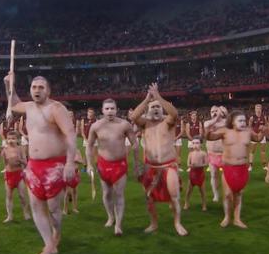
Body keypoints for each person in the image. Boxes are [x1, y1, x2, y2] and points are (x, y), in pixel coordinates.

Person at [5, 72, 77, 254]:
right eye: (34, 87)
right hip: (33, 165)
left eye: (41, 87)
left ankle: (56, 233)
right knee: (36, 206)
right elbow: (13, 104)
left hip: (54, 165)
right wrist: (8, 85)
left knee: (53, 208)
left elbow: (70, 134)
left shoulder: (56, 108)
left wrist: (70, 162)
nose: (37, 90)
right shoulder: (28, 107)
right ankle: (49, 245)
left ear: (48, 90)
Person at [130, 83, 188, 236]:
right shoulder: (145, 124)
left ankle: (177, 223)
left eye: (158, 107)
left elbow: (174, 113)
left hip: (169, 166)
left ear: (162, 109)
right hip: (151, 167)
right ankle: (154, 223)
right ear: (148, 111)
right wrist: (147, 98)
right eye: (152, 107)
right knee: (149, 198)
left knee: (174, 196)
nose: (155, 108)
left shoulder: (167, 122)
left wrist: (158, 97)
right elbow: (134, 117)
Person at [87, 98, 139, 236]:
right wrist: (89, 164)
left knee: (119, 194)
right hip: (103, 164)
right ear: (103, 110)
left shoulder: (124, 125)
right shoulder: (96, 126)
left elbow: (135, 143)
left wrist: (136, 163)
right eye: (107, 109)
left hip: (120, 164)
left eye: (112, 108)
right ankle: (110, 216)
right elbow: (89, 145)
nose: (110, 111)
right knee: (107, 193)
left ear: (116, 110)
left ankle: (118, 225)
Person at [206, 110, 266, 229]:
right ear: (232, 122)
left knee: (239, 194)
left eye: (244, 120)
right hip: (229, 167)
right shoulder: (225, 131)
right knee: (228, 194)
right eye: (240, 120)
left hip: (242, 168)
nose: (243, 122)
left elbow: (258, 138)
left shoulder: (248, 131)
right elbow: (210, 137)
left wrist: (263, 131)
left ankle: (237, 219)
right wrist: (209, 128)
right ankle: (227, 217)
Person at [1, 131, 30, 223]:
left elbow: (26, 163)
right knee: (8, 195)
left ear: (18, 139)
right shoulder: (5, 150)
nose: (11, 140)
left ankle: (26, 213)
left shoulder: (20, 149)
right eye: (9, 138)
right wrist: (0, 153)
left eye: (13, 138)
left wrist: (20, 160)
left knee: (22, 196)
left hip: (19, 174)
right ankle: (10, 216)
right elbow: (4, 163)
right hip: (9, 174)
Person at [204, 105, 228, 203]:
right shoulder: (208, 123)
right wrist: (217, 117)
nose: (214, 113)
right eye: (212, 111)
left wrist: (223, 114)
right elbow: (207, 126)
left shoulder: (226, 123)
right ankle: (216, 194)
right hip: (212, 154)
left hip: (224, 154)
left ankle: (227, 193)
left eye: (216, 111)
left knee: (226, 176)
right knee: (213, 175)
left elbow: (227, 124)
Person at [184, 136, 208, 211]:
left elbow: (206, 163)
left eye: (197, 143)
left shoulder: (203, 153)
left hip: (200, 174)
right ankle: (186, 202)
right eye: (193, 143)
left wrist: (199, 165)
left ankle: (204, 204)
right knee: (188, 191)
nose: (195, 145)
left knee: (202, 191)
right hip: (192, 174)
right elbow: (188, 163)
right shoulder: (190, 154)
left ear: (201, 144)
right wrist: (191, 165)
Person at [64, 148, 84, 215]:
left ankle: (74, 208)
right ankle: (65, 210)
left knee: (75, 191)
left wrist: (77, 160)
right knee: (68, 192)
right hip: (68, 172)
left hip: (76, 172)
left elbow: (81, 161)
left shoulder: (77, 150)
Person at [248, 104, 267, 171]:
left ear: (261, 109)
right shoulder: (252, 118)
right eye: (257, 108)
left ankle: (264, 165)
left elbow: (266, 126)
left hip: (261, 135)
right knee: (252, 151)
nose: (258, 109)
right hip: (254, 136)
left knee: (263, 151)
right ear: (255, 109)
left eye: (259, 108)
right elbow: (249, 128)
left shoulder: (264, 117)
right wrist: (254, 134)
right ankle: (250, 165)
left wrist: (263, 129)